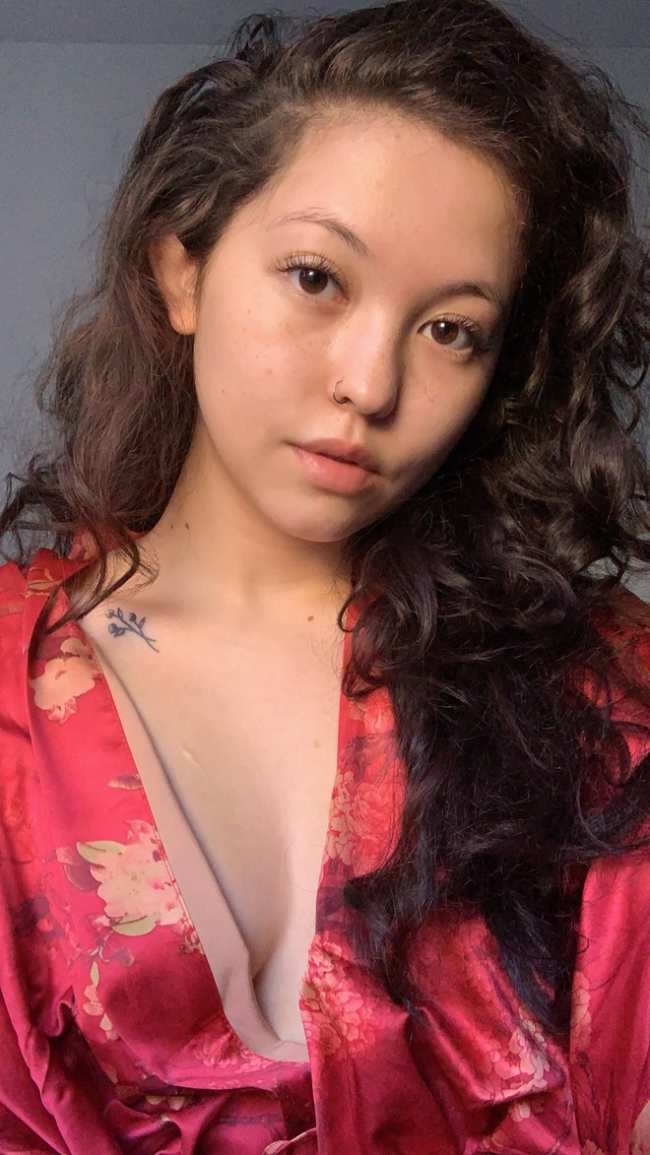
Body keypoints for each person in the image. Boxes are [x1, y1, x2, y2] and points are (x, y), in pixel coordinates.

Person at [1, 0, 650, 1150]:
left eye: (448, 331)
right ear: (181, 273)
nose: (368, 383)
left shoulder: (595, 689)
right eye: (316, 277)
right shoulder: (13, 685)